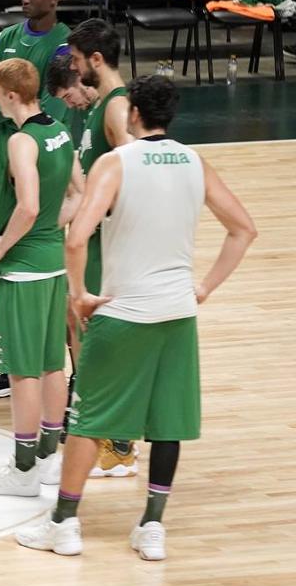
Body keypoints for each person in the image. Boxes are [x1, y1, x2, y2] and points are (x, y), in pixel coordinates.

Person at [16, 75, 257, 560]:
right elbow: (244, 229)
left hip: (122, 312)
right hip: (176, 313)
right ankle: (151, 526)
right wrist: (205, 286)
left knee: (87, 421)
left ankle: (64, 523)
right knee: (168, 422)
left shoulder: (116, 163)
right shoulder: (194, 162)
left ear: (132, 114)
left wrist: (79, 293)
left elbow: (78, 236)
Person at [0, 59, 82, 498]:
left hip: (25, 270)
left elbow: (28, 205)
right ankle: (50, 457)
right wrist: (56, 228)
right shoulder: (59, 129)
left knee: (21, 371)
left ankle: (23, 469)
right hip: (53, 263)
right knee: (53, 362)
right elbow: (79, 192)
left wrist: (1, 246)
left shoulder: (22, 140)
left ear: (10, 96)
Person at [0, 0, 72, 399]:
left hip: (42, 165)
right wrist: (11, 109)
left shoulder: (64, 45)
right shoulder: (5, 39)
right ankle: (4, 361)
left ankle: (55, 371)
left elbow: (54, 106)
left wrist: (17, 113)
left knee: (30, 268)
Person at [67, 19, 141, 478]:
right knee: (78, 331)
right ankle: (106, 439)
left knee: (97, 339)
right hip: (90, 240)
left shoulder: (117, 108)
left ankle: (118, 446)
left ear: (96, 60)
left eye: (76, 60)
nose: (73, 68)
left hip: (104, 244)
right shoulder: (100, 106)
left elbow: (134, 173)